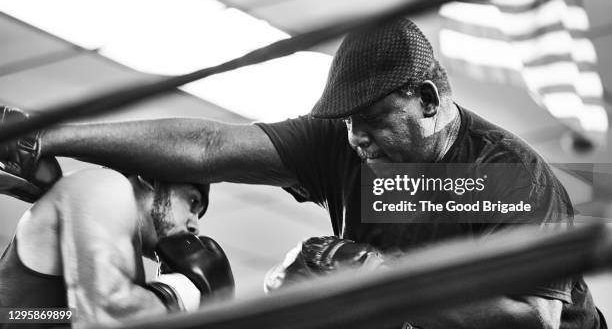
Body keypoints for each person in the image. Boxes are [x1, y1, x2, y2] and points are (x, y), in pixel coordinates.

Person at [0, 17, 606, 328]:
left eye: (369, 120)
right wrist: (40, 134)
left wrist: (374, 275)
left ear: (426, 98)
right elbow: (210, 145)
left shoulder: (506, 177)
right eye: (343, 123)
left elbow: (536, 323)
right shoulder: (100, 190)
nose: (354, 138)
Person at [0, 168, 234, 328]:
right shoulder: (104, 185)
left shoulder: (123, 274)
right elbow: (105, 317)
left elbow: (64, 316)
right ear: (150, 178)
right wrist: (181, 293)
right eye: (193, 203)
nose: (195, 226)